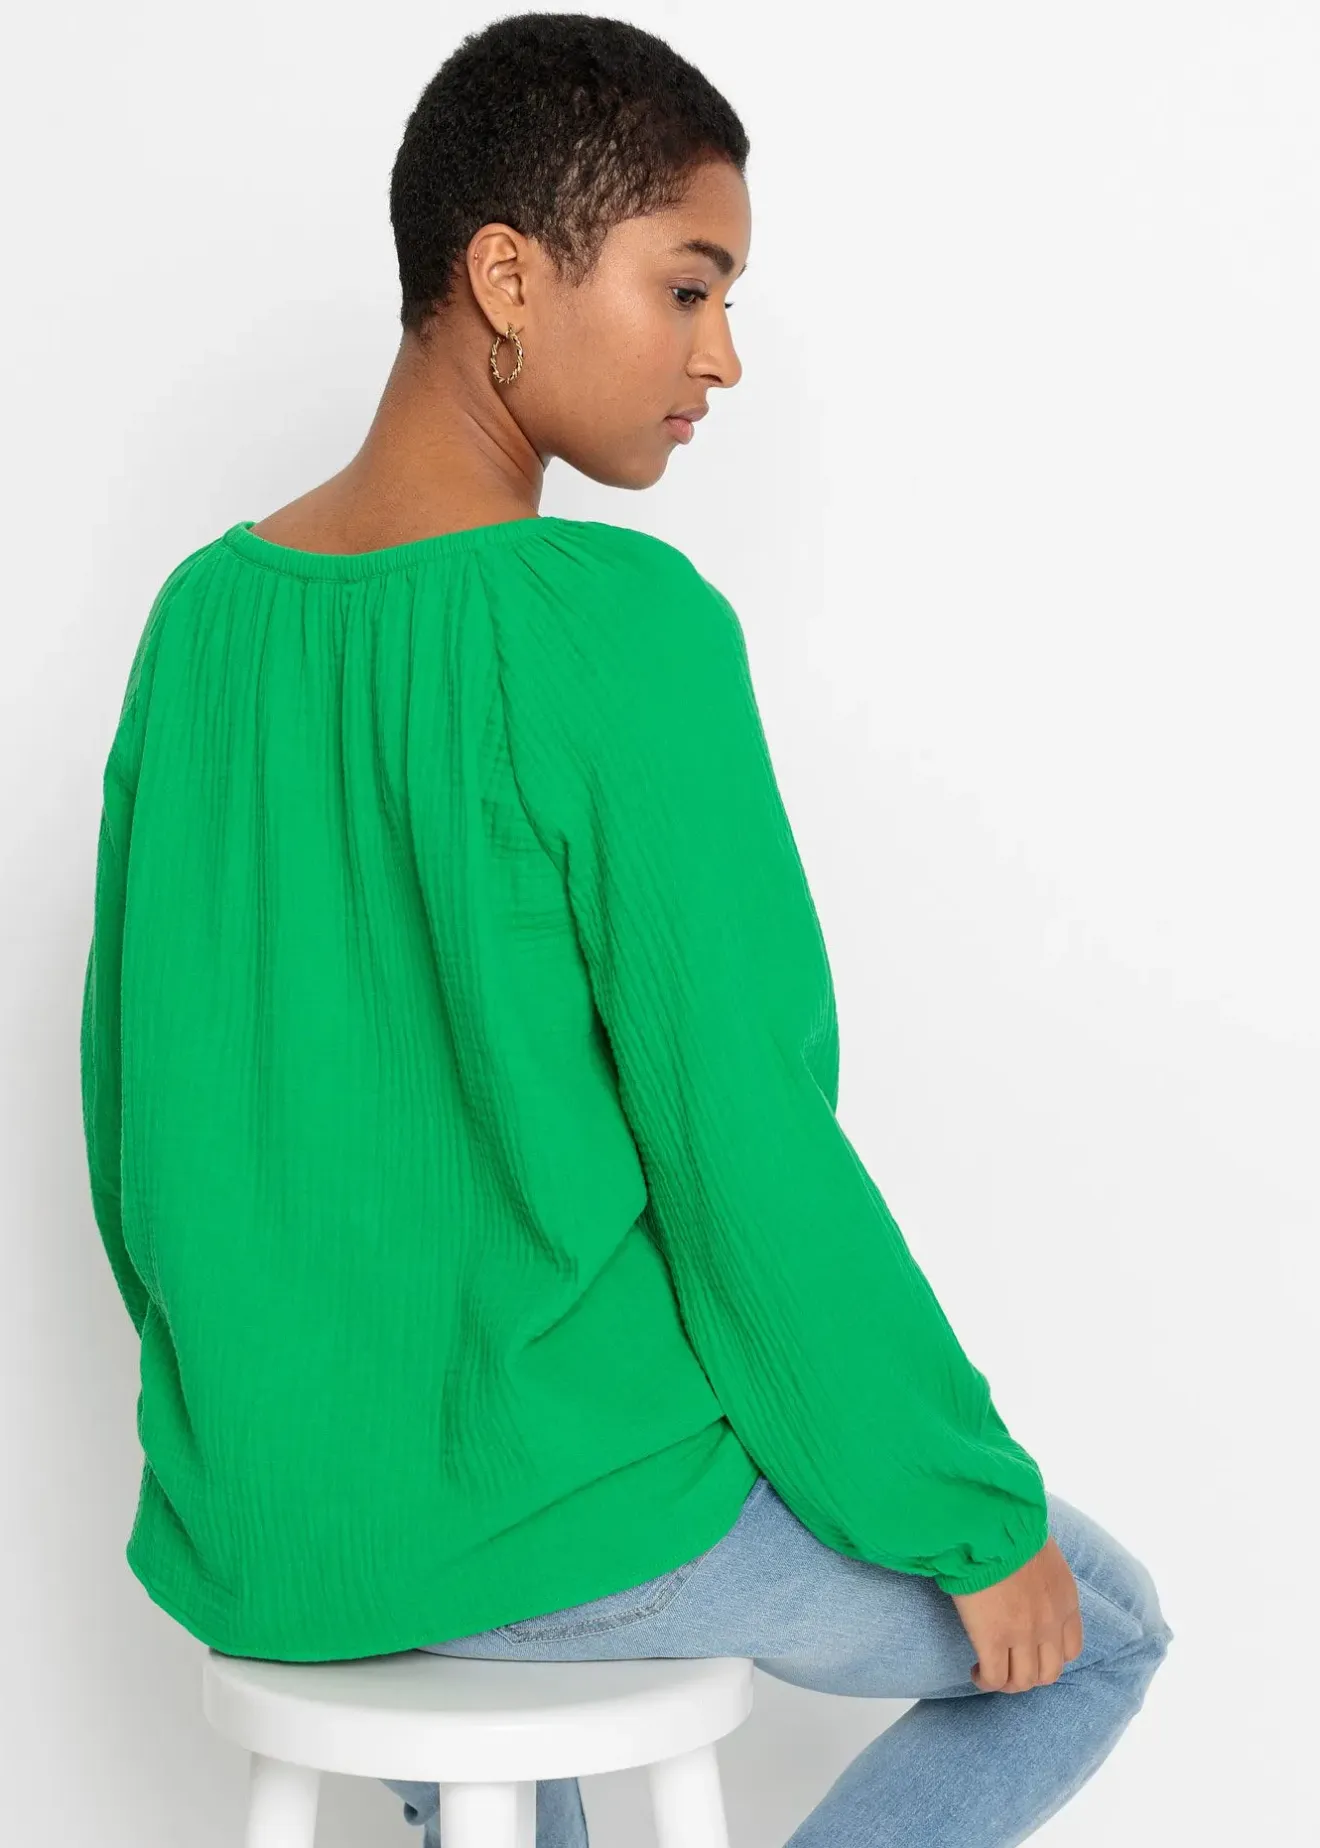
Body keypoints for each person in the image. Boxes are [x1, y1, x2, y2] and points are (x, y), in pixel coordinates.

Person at [78, 13, 1172, 1848]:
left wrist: (269, 1442)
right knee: (1102, 1634)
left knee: (504, 1720)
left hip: (275, 1531)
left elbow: (135, 1116)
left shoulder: (202, 624)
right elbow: (744, 1144)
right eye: (689, 286)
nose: (722, 355)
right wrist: (963, 1510)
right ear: (509, 277)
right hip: (558, 1520)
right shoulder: (615, 623)